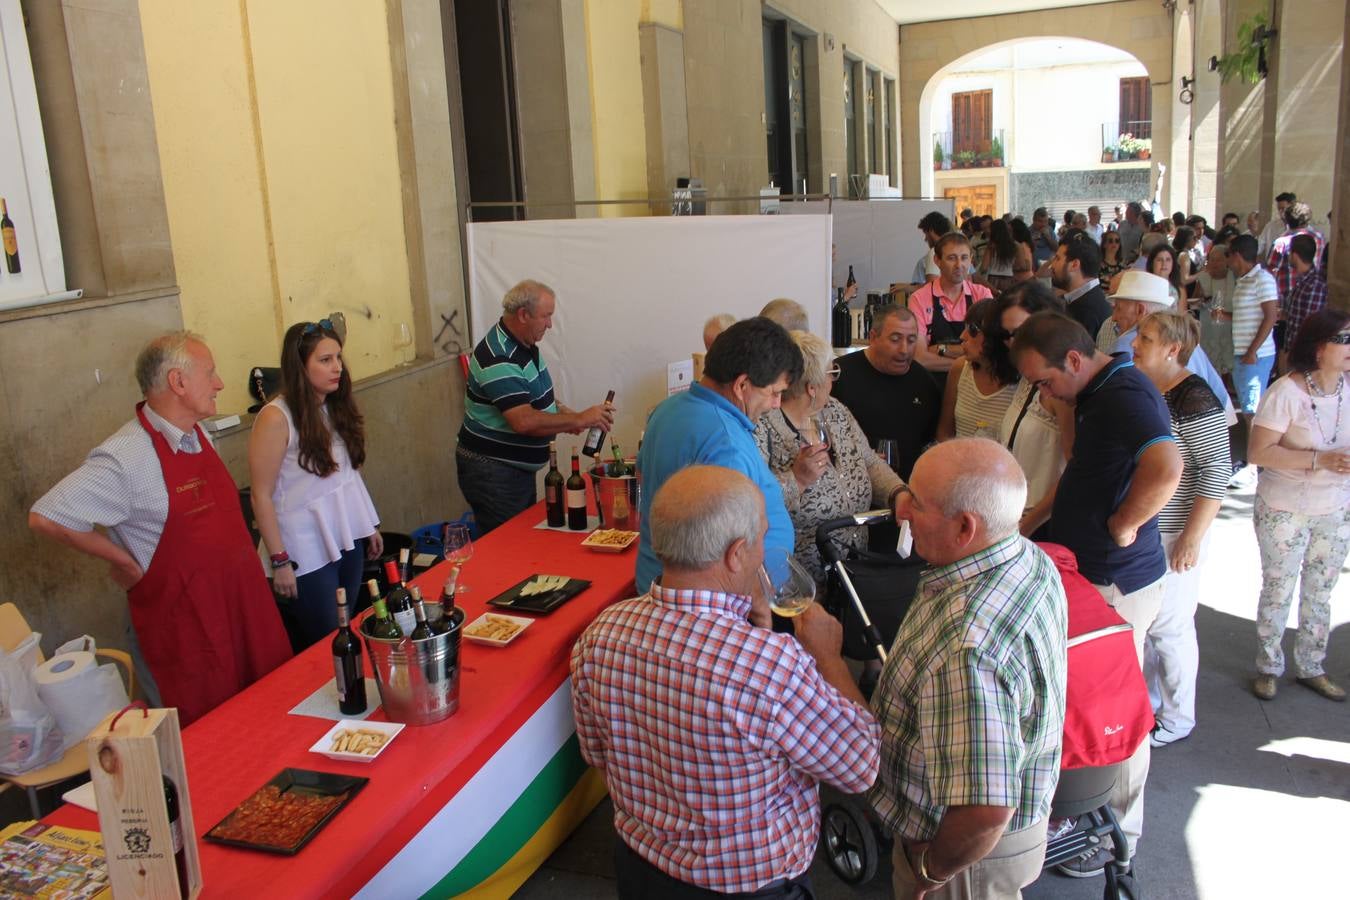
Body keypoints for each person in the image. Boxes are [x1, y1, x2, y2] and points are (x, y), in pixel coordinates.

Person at [571, 465, 880, 898]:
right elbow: (860, 764)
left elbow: (599, 755)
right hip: (751, 887)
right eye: (761, 540)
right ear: (736, 555)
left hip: (642, 870)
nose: (762, 556)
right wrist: (829, 657)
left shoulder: (599, 636)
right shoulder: (770, 667)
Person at [30, 332, 292, 725]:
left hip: (241, 608)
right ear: (178, 382)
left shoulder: (196, 433)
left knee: (265, 718)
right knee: (209, 741)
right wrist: (122, 560)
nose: (219, 383)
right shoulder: (126, 456)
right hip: (188, 632)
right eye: (210, 373)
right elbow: (47, 515)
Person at [1011, 312, 1182, 875]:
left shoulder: (1126, 393)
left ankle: (1119, 839)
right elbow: (1081, 470)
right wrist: (1031, 523)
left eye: (1044, 381)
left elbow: (1168, 465)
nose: (1042, 391)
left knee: (1120, 713)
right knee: (1082, 702)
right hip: (1088, 573)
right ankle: (1087, 813)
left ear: (1076, 361)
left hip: (1118, 580)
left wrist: (1126, 524)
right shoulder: (1093, 392)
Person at [868, 438, 1067, 900]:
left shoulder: (967, 648)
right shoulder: (1027, 557)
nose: (904, 512)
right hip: (1006, 831)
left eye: (916, 502)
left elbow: (984, 812)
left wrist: (931, 872)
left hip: (963, 855)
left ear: (964, 527)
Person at [635, 317, 802, 593]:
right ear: (741, 385)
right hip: (716, 604)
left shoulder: (666, 409)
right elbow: (727, 554)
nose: (776, 404)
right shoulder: (726, 442)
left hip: (660, 588)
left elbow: (642, 475)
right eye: (774, 393)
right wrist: (759, 601)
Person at [248, 320, 382, 649]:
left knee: (345, 628)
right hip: (303, 547)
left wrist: (368, 525)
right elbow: (260, 495)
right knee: (324, 641)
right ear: (299, 366)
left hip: (345, 535)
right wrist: (280, 561)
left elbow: (346, 475)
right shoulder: (275, 417)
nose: (337, 367)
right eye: (325, 360)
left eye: (338, 357)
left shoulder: (335, 404)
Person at [1131, 312, 1230, 747]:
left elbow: (1215, 472)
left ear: (1172, 350)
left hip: (1176, 533)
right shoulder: (1153, 386)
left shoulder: (1194, 397)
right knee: (1154, 625)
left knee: (1171, 628)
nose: (1136, 343)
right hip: (1153, 529)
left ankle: (1177, 717)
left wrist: (1191, 538)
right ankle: (1153, 706)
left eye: (1146, 338)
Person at [456, 280, 615, 534]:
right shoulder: (499, 355)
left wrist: (568, 416)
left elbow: (537, 400)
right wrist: (579, 419)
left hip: (512, 470)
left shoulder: (524, 344)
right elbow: (524, 421)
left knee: (522, 540)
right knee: (509, 547)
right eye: (546, 316)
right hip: (493, 472)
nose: (550, 324)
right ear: (523, 315)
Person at [1248, 309, 1350, 703]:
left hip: (1335, 506)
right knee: (1279, 586)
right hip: (1284, 506)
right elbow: (1258, 451)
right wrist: (1317, 460)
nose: (1348, 348)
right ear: (1318, 347)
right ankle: (1268, 665)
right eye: (1342, 340)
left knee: (1321, 589)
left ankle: (1312, 665)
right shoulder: (1286, 393)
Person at [754, 331, 904, 585]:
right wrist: (796, 479)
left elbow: (869, 461)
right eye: (831, 374)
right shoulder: (764, 426)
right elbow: (753, 503)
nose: (834, 381)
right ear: (812, 388)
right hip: (802, 581)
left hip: (856, 567)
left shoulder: (835, 411)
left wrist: (898, 492)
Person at [1100, 271, 1237, 427]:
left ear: (1140, 310)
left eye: (1118, 308)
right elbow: (1225, 407)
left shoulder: (1124, 346)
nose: (1114, 317)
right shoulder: (1186, 338)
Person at [991, 282, 1074, 538]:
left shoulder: (1060, 387)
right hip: (1015, 516)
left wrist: (1028, 525)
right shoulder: (1026, 378)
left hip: (1042, 525)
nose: (1015, 343)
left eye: (1022, 331)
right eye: (1009, 335)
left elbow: (1074, 469)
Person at [832, 303, 941, 480]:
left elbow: (931, 441)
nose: (904, 350)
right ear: (873, 338)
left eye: (911, 340)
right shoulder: (839, 376)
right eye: (895, 339)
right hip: (854, 485)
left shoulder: (925, 382)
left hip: (910, 487)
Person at [1220, 235, 1279, 467]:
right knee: (1248, 407)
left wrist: (1253, 350)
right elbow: (1249, 316)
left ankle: (1254, 463)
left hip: (1255, 354)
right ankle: (1253, 459)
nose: (1228, 261)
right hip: (1244, 351)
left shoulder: (1262, 279)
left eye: (1228, 256)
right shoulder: (1243, 280)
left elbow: (1271, 315)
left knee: (1251, 410)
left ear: (1236, 255)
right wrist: (1225, 316)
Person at [907, 232, 993, 375]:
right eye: (951, 258)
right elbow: (920, 358)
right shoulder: (919, 299)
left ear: (971, 259)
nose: (959, 265)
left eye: (964, 258)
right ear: (937, 260)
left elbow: (988, 350)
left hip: (975, 386)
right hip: (933, 385)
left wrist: (942, 349)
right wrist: (971, 362)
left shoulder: (982, 295)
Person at [937, 299, 1018, 442]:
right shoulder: (960, 368)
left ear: (995, 335)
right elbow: (944, 433)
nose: (962, 336)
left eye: (972, 330)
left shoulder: (1022, 381)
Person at [1050, 229, 1111, 340]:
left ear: (1074, 265)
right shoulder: (1088, 300)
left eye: (1057, 259)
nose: (1052, 265)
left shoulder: (1086, 312)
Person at [1192, 244, 1235, 378]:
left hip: (1228, 327)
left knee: (1228, 361)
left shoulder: (1234, 277)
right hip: (1209, 326)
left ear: (1227, 261)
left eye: (1219, 260)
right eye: (1212, 259)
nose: (1214, 263)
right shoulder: (1203, 278)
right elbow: (1195, 299)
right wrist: (1201, 300)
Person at [1282, 233, 1328, 352]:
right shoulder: (1302, 281)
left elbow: (1309, 326)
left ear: (1295, 255)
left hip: (1302, 353)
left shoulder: (1314, 285)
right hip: (1292, 349)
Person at [975, 218, 1017, 296]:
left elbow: (984, 267)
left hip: (994, 279)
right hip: (1009, 278)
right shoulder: (1014, 245)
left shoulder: (991, 246)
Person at [911, 211, 950, 285]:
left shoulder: (935, 252)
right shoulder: (959, 249)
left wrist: (907, 288)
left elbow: (931, 287)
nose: (925, 239)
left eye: (926, 234)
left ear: (931, 231)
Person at [1257, 191, 1296, 260]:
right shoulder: (1270, 226)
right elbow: (1259, 246)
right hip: (1272, 266)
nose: (1281, 212)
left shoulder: (1301, 228)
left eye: (1284, 208)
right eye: (1279, 209)